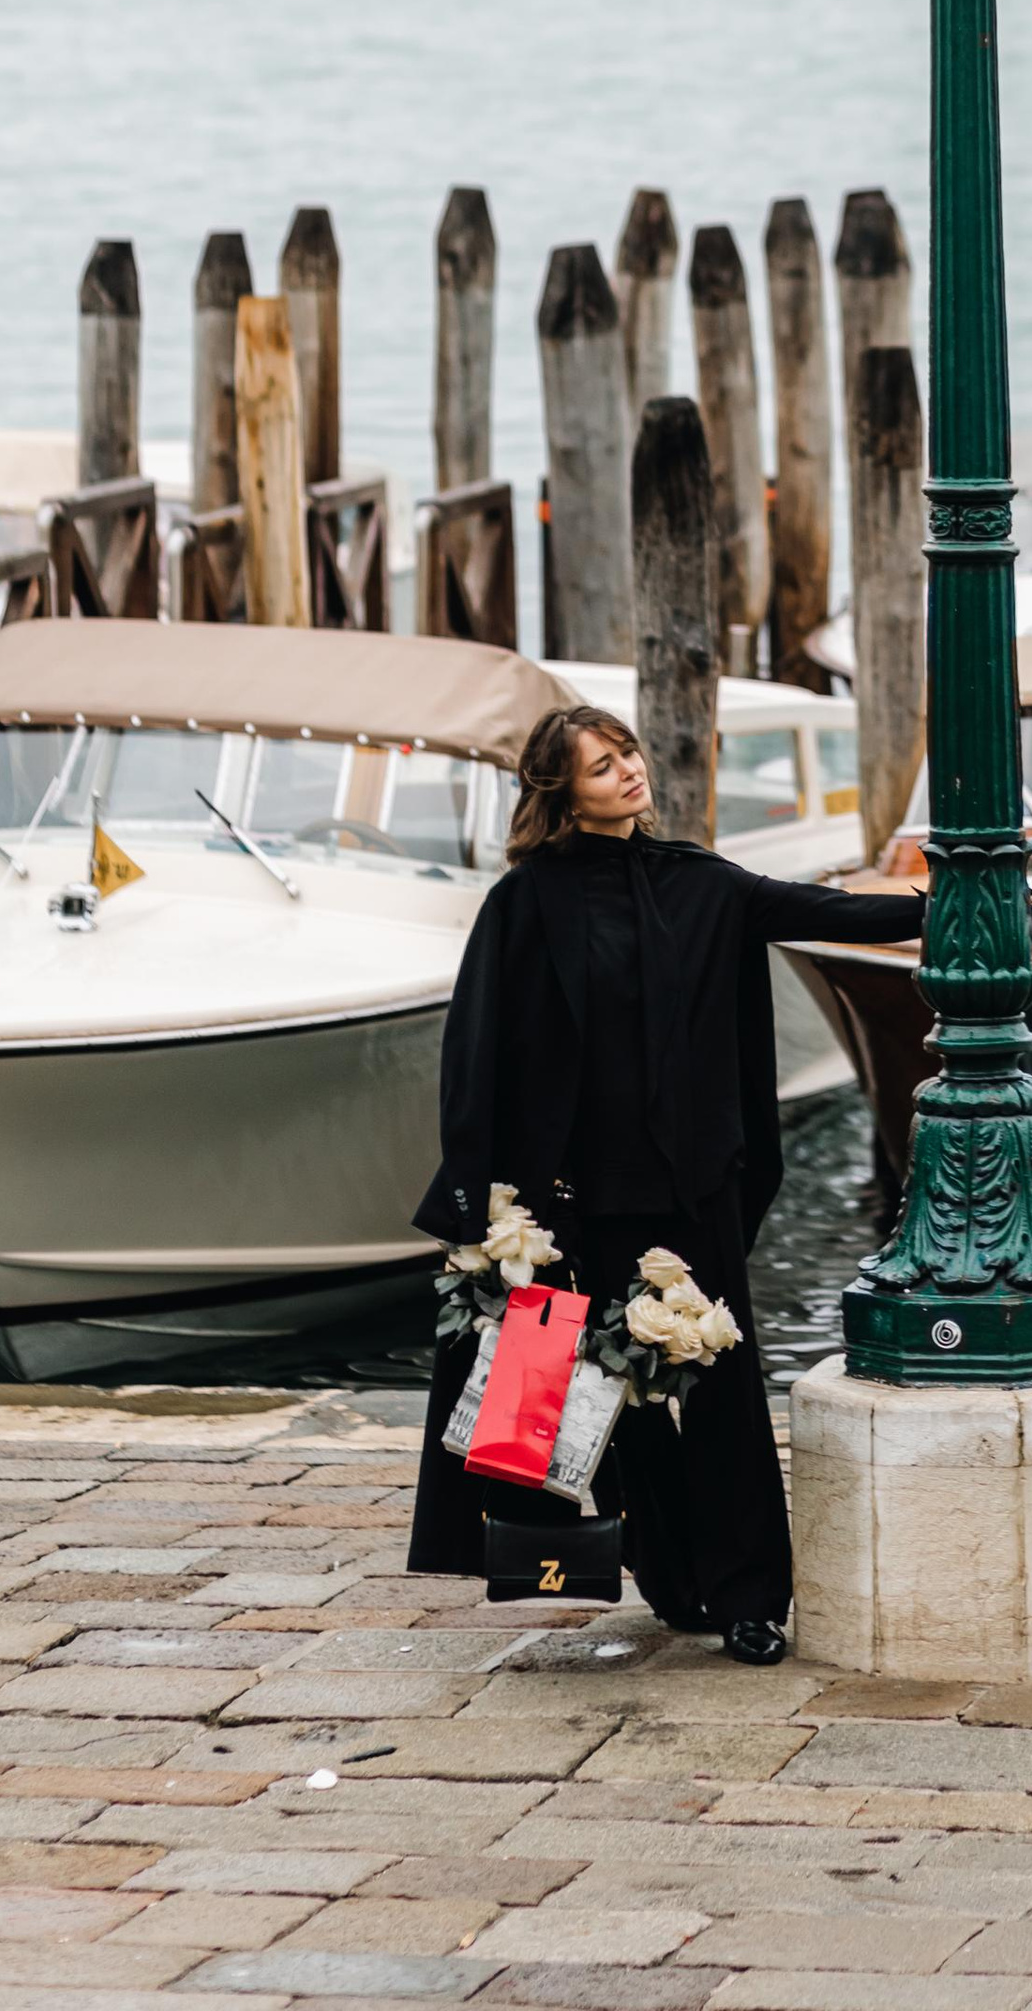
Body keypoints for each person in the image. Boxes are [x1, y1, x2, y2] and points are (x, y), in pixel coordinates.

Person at [407, 700, 925, 1661]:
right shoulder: (522, 903)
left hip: (694, 1191)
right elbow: (474, 1052)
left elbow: (823, 911)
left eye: (629, 753)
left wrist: (951, 908)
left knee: (722, 1394)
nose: (630, 771)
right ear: (563, 793)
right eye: (603, 766)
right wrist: (480, 1204)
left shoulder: (700, 882)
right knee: (610, 1400)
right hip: (573, 1201)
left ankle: (750, 1598)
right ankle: (674, 1579)